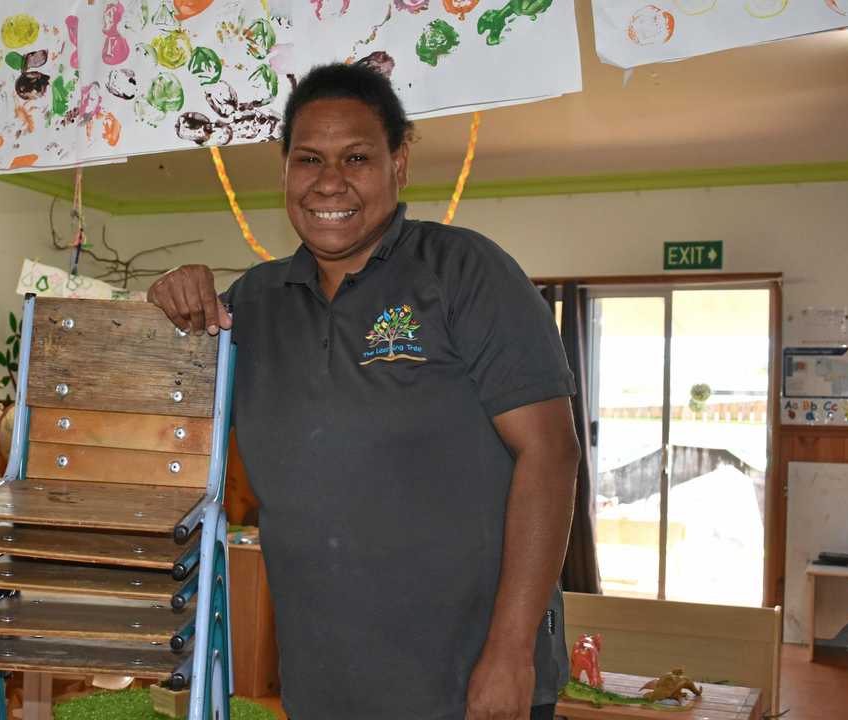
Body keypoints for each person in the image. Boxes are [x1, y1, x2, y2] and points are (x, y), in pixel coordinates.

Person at [148, 63, 580, 720]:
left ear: (399, 162)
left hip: (466, 685)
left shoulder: (463, 272)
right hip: (325, 686)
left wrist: (512, 652)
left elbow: (551, 455)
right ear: (285, 168)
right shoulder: (255, 306)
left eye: (357, 157)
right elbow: (160, 428)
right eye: (308, 159)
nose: (330, 182)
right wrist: (175, 301)